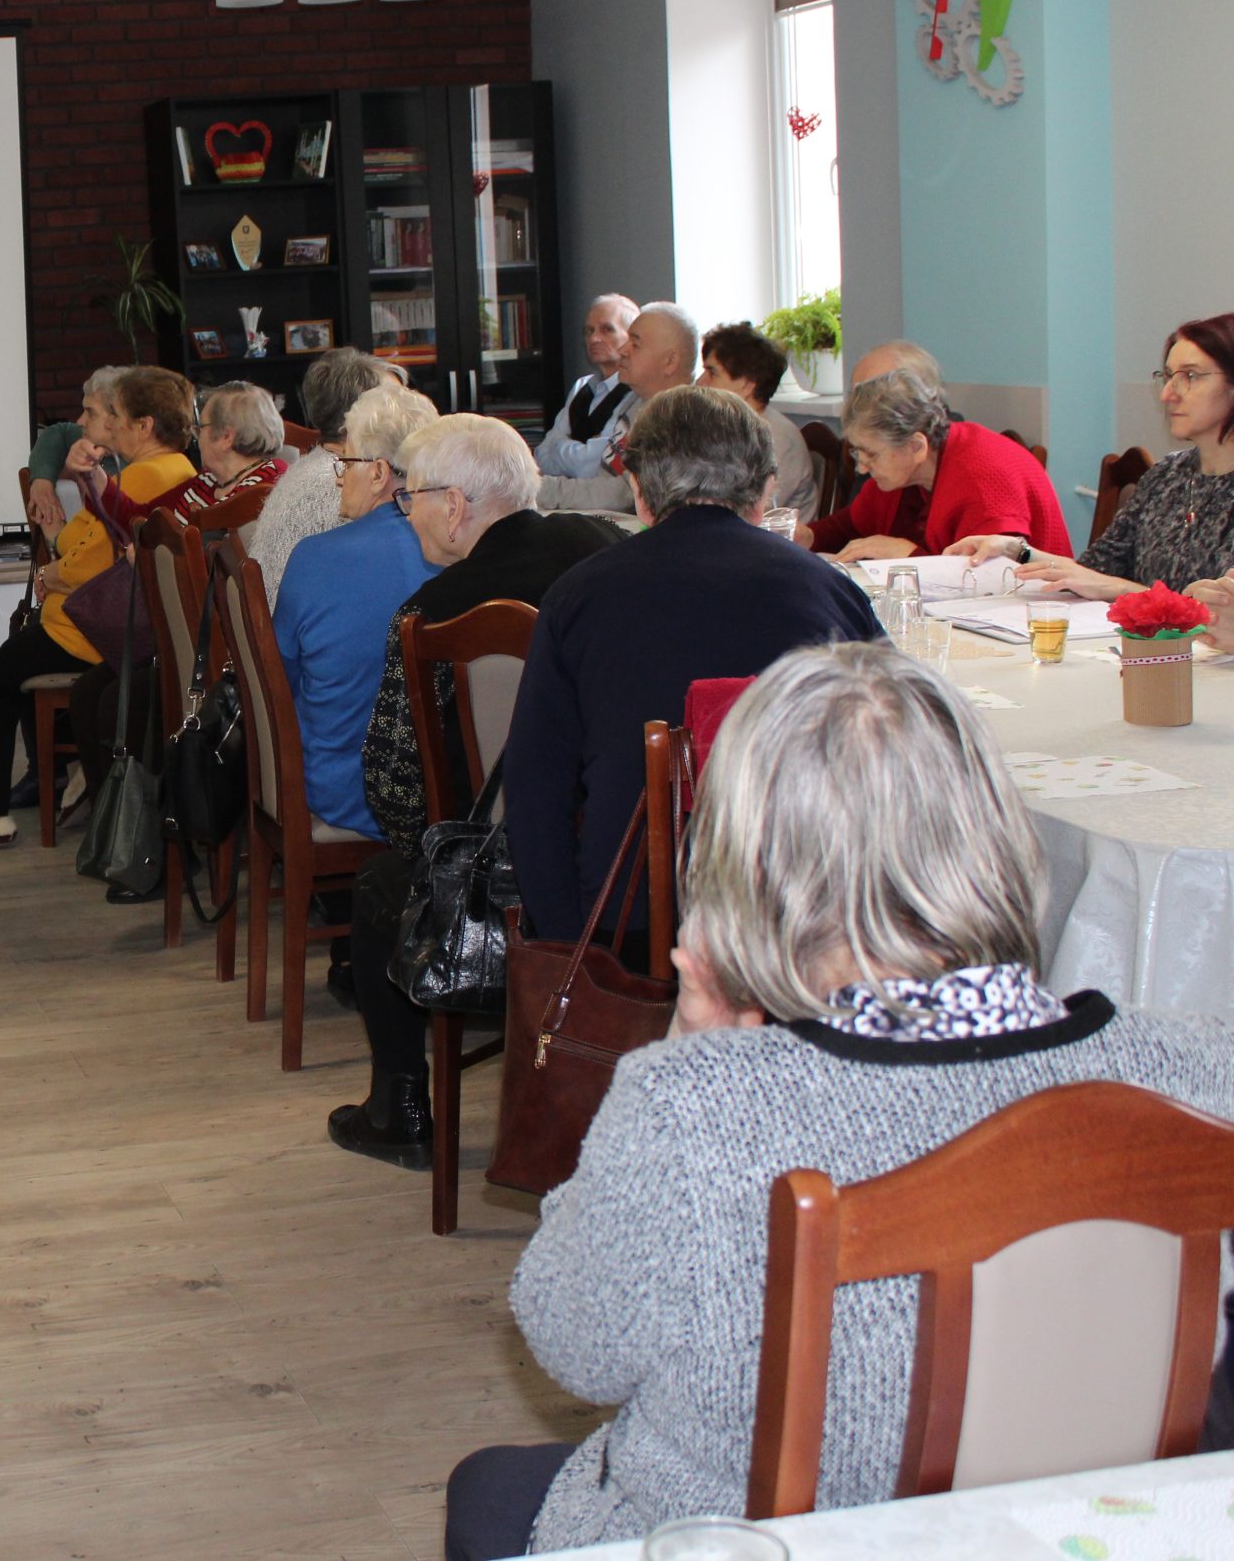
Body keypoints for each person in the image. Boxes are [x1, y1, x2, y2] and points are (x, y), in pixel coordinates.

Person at [446, 641, 1234, 1558]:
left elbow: (575, 1343)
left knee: (488, 1490)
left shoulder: (696, 1110)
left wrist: (682, 1041)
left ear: (749, 865)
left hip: (748, 1535)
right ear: (999, 836)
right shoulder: (1199, 1073)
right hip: (1076, 1531)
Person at [330, 415, 621, 1163]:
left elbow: (394, 789)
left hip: (505, 871)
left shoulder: (432, 613)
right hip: (623, 859)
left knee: (379, 883)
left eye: (411, 498)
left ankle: (399, 1109)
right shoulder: (613, 556)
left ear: (455, 505)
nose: (405, 511)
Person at [506, 387, 884, 944]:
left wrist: (567, 942)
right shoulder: (830, 591)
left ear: (638, 490)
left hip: (628, 921)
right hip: (803, 920)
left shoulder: (577, 596)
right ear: (764, 490)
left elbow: (536, 786)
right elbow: (893, 759)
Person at [0, 366, 197, 847]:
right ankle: (59, 779)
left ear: (140, 425)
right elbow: (77, 536)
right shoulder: (151, 470)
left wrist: (50, 572)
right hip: (84, 623)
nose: (99, 424)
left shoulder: (148, 476)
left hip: (86, 630)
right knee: (9, 670)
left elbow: (88, 564)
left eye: (112, 416)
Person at [954, 313, 1234, 599]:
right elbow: (1094, 571)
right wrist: (1016, 551)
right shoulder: (1168, 475)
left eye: (1190, 376)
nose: (1167, 394)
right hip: (1140, 644)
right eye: (1167, 376)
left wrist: (1123, 589)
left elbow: (1221, 617)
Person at [273, 383, 443, 841]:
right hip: (449, 787)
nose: (337, 477)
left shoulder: (314, 556)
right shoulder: (458, 548)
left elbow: (277, 685)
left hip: (347, 790)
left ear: (379, 473)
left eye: (345, 462)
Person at [802, 369, 1072, 562]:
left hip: (1037, 615)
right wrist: (805, 536)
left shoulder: (981, 476)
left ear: (916, 446)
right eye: (858, 455)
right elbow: (849, 527)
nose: (862, 468)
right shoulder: (906, 473)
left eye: (871, 455)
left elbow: (993, 574)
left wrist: (908, 555)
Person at [247, 348, 398, 602]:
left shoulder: (309, 466)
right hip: (300, 634)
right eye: (395, 404)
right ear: (364, 416)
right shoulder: (346, 482)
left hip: (276, 627)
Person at [538, 301, 700, 515]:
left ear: (670, 361)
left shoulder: (680, 418)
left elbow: (624, 494)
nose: (623, 350)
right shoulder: (636, 402)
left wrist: (535, 489)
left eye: (635, 343)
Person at [698, 320, 816, 513]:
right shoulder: (721, 428)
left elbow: (752, 511)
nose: (700, 382)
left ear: (747, 385)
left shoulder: (777, 438)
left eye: (712, 373)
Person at [534, 295, 638, 478]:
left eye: (607, 329)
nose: (594, 338)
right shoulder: (581, 386)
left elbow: (596, 464)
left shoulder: (635, 391)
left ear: (631, 337)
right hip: (565, 499)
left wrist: (561, 445)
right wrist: (585, 448)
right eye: (589, 331)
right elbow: (542, 456)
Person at [23, 367, 128, 535]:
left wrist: (56, 536)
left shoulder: (143, 473)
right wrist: (42, 481)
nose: (80, 421)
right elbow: (58, 433)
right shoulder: (90, 439)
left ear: (118, 418)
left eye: (90, 413)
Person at [186, 381, 290, 532]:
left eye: (200, 428)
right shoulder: (206, 481)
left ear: (226, 437)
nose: (196, 438)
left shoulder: (271, 485)